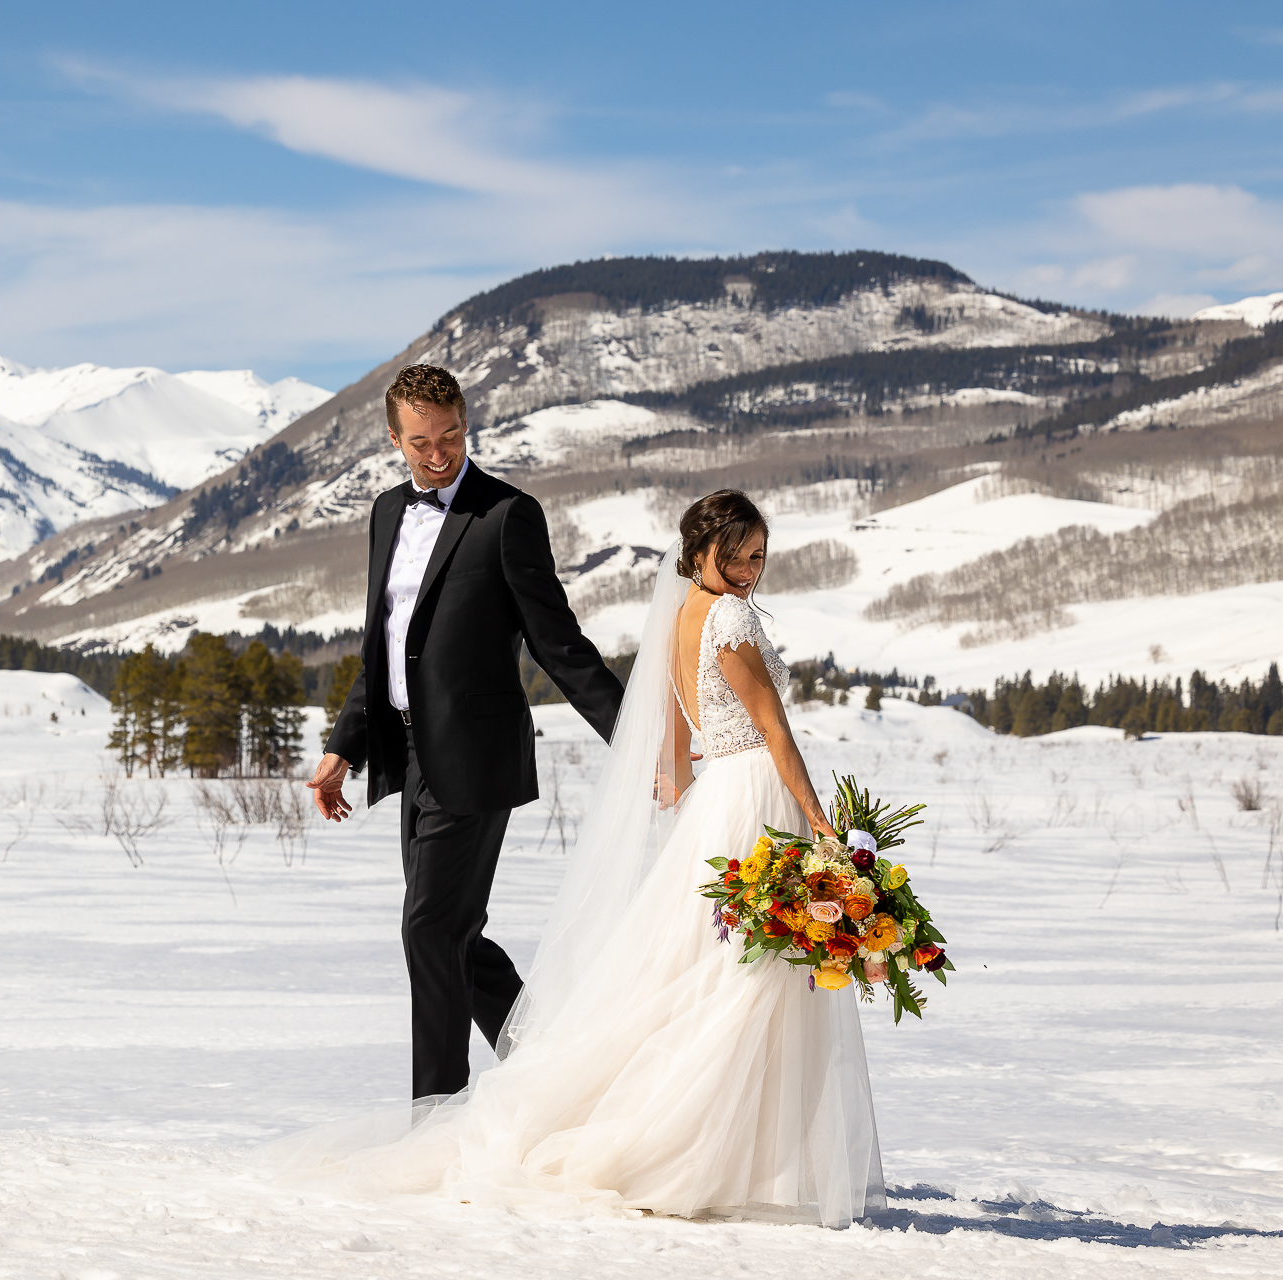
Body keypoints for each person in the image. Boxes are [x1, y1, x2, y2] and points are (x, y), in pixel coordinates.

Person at [276, 489, 885, 1229]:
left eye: (760, 556)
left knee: (713, 972)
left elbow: (669, 722)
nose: (753, 570)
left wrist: (682, 786)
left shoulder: (681, 614)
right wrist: (821, 824)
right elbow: (774, 728)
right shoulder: (729, 617)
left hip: (720, 802)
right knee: (743, 980)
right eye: (740, 556)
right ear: (705, 553)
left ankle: (734, 1152)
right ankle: (705, 1151)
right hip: (757, 794)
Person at [305, 363, 626, 1104]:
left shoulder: (507, 514)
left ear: (466, 422)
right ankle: (549, 1066)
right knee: (453, 936)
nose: (439, 452)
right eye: (421, 442)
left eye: (450, 435)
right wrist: (342, 747)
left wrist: (635, 731)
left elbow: (558, 642)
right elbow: (385, 647)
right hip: (405, 757)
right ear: (394, 439)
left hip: (475, 760)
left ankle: (435, 1115)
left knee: (427, 930)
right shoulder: (387, 512)